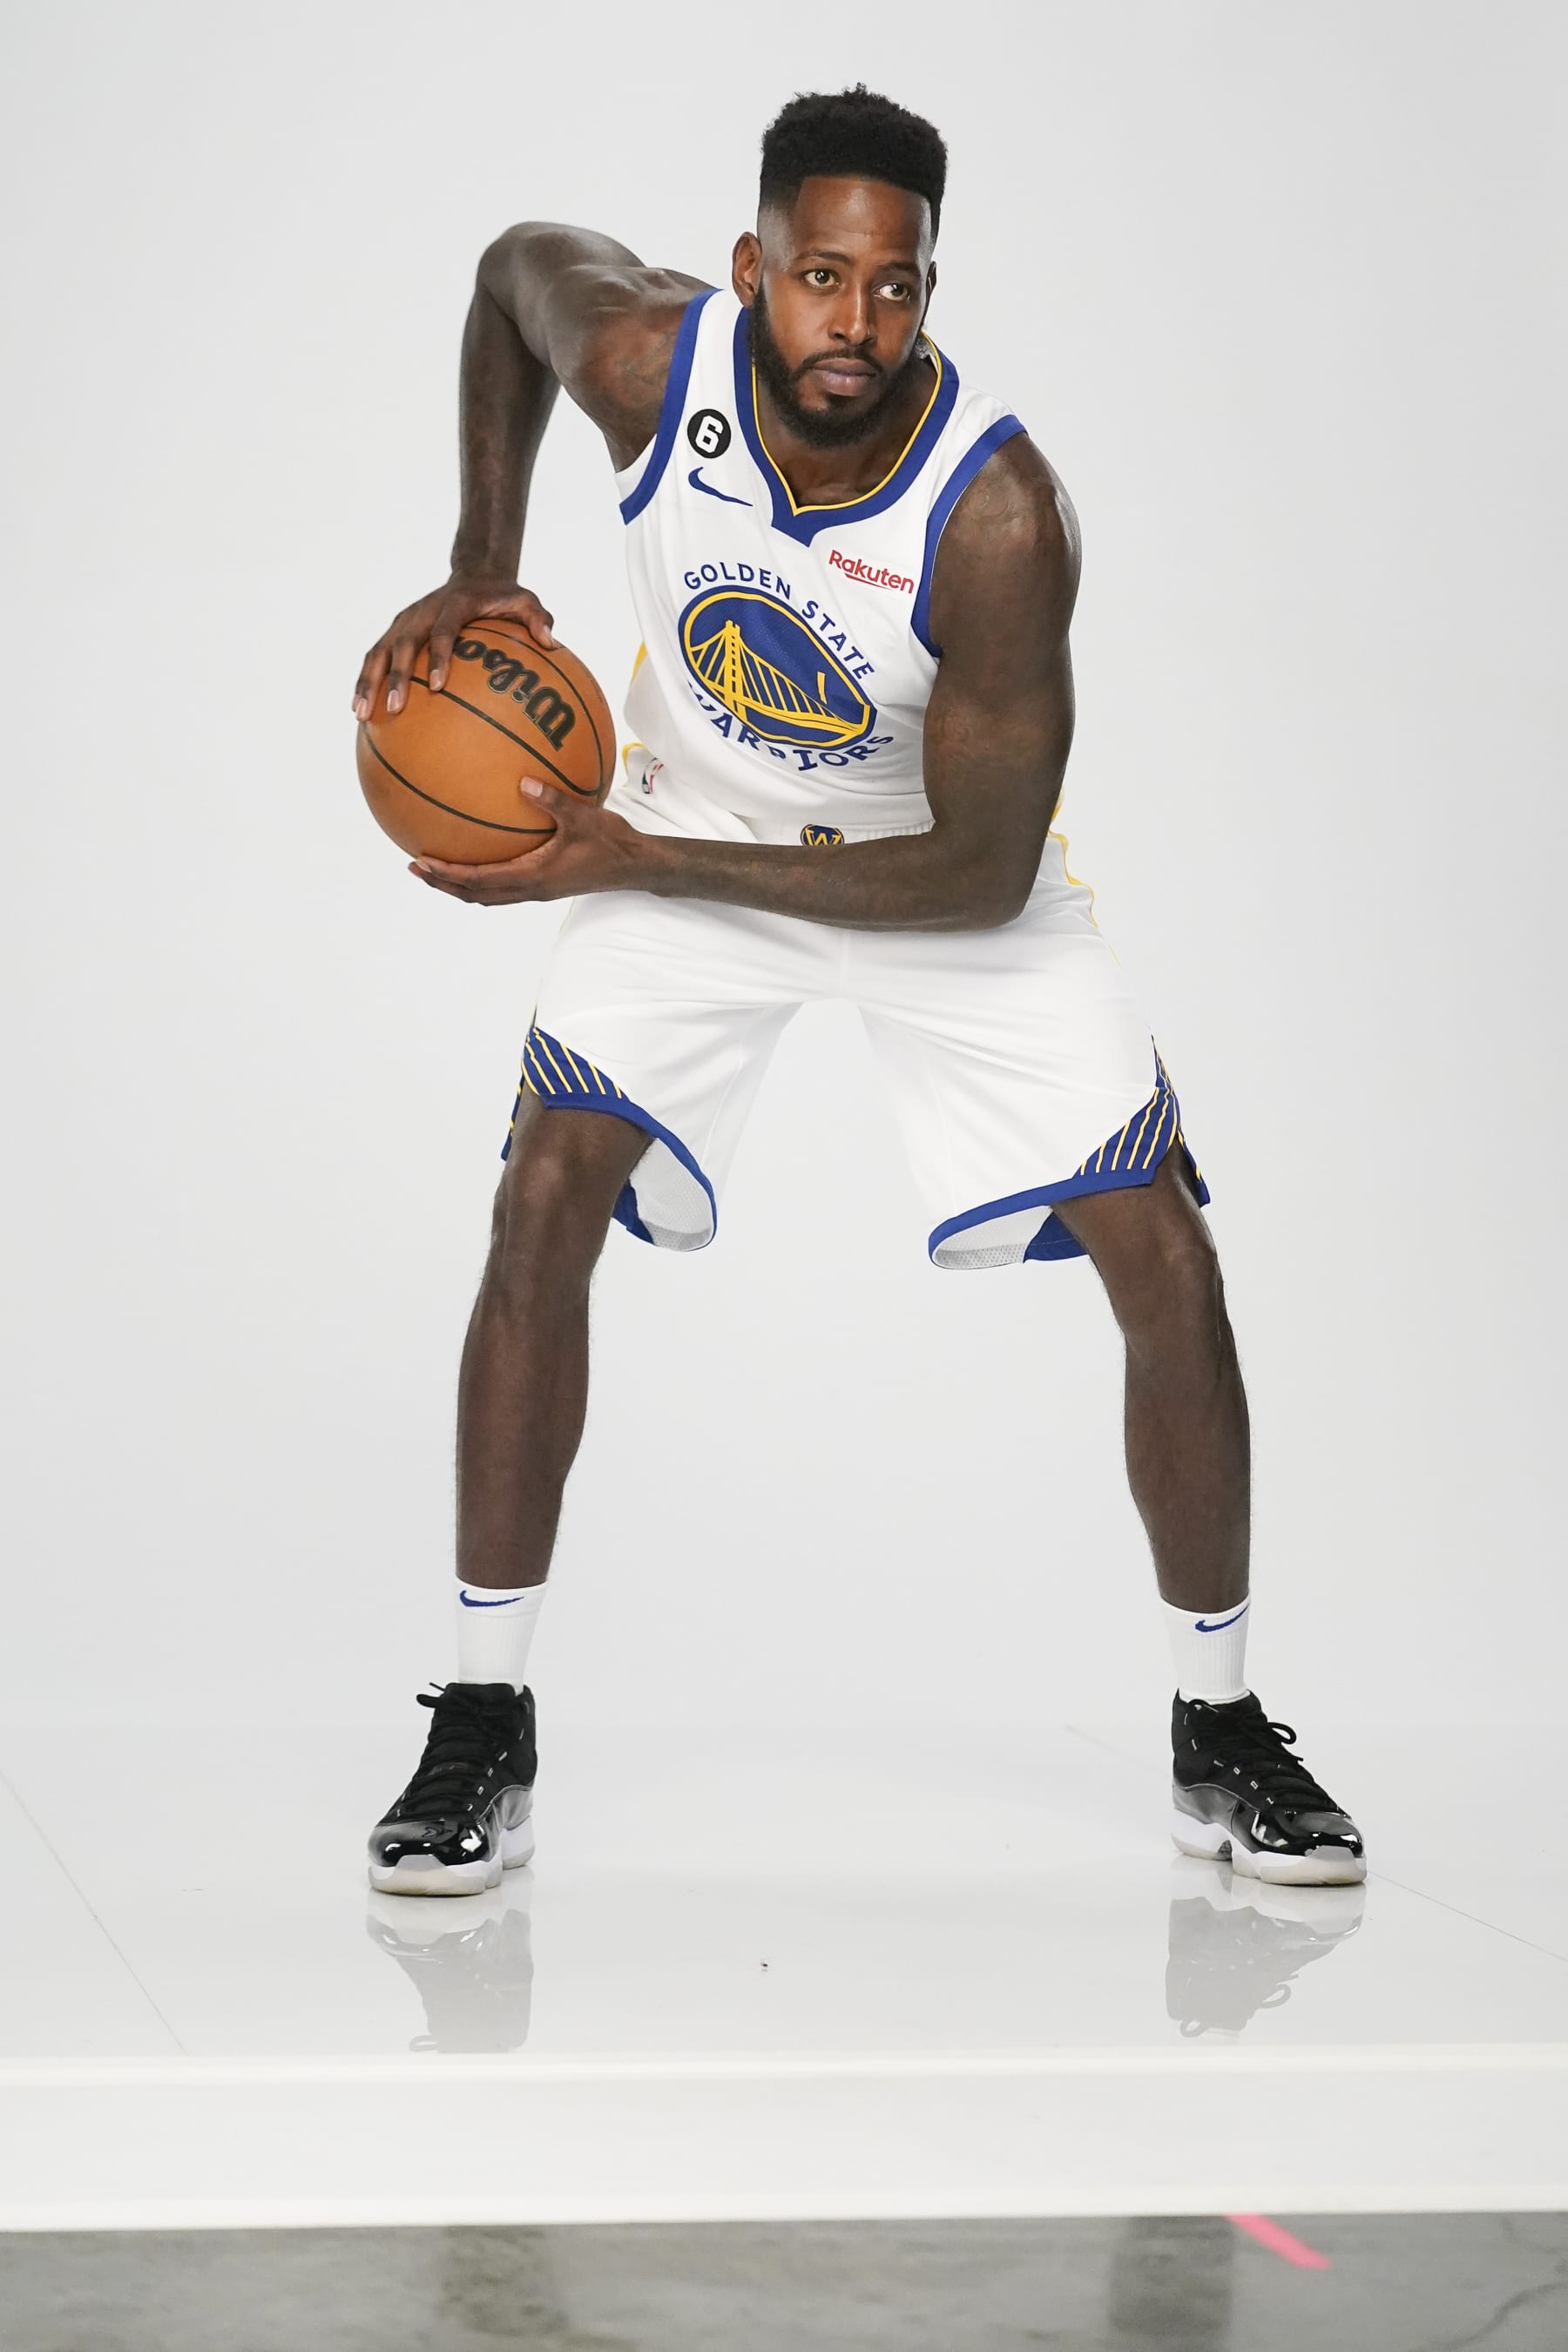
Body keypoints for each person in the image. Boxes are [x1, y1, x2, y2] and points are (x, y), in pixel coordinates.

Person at [355, 87, 1364, 1896]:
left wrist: (634, 862)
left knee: (1163, 1244)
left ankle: (1222, 1722)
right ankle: (479, 1716)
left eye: (895, 290)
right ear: (753, 271)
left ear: (929, 294)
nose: (857, 325)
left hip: (930, 874)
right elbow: (512, 274)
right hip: (683, 832)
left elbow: (980, 871)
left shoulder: (997, 513)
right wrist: (485, 560)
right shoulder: (655, 365)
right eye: (820, 279)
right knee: (540, 1199)